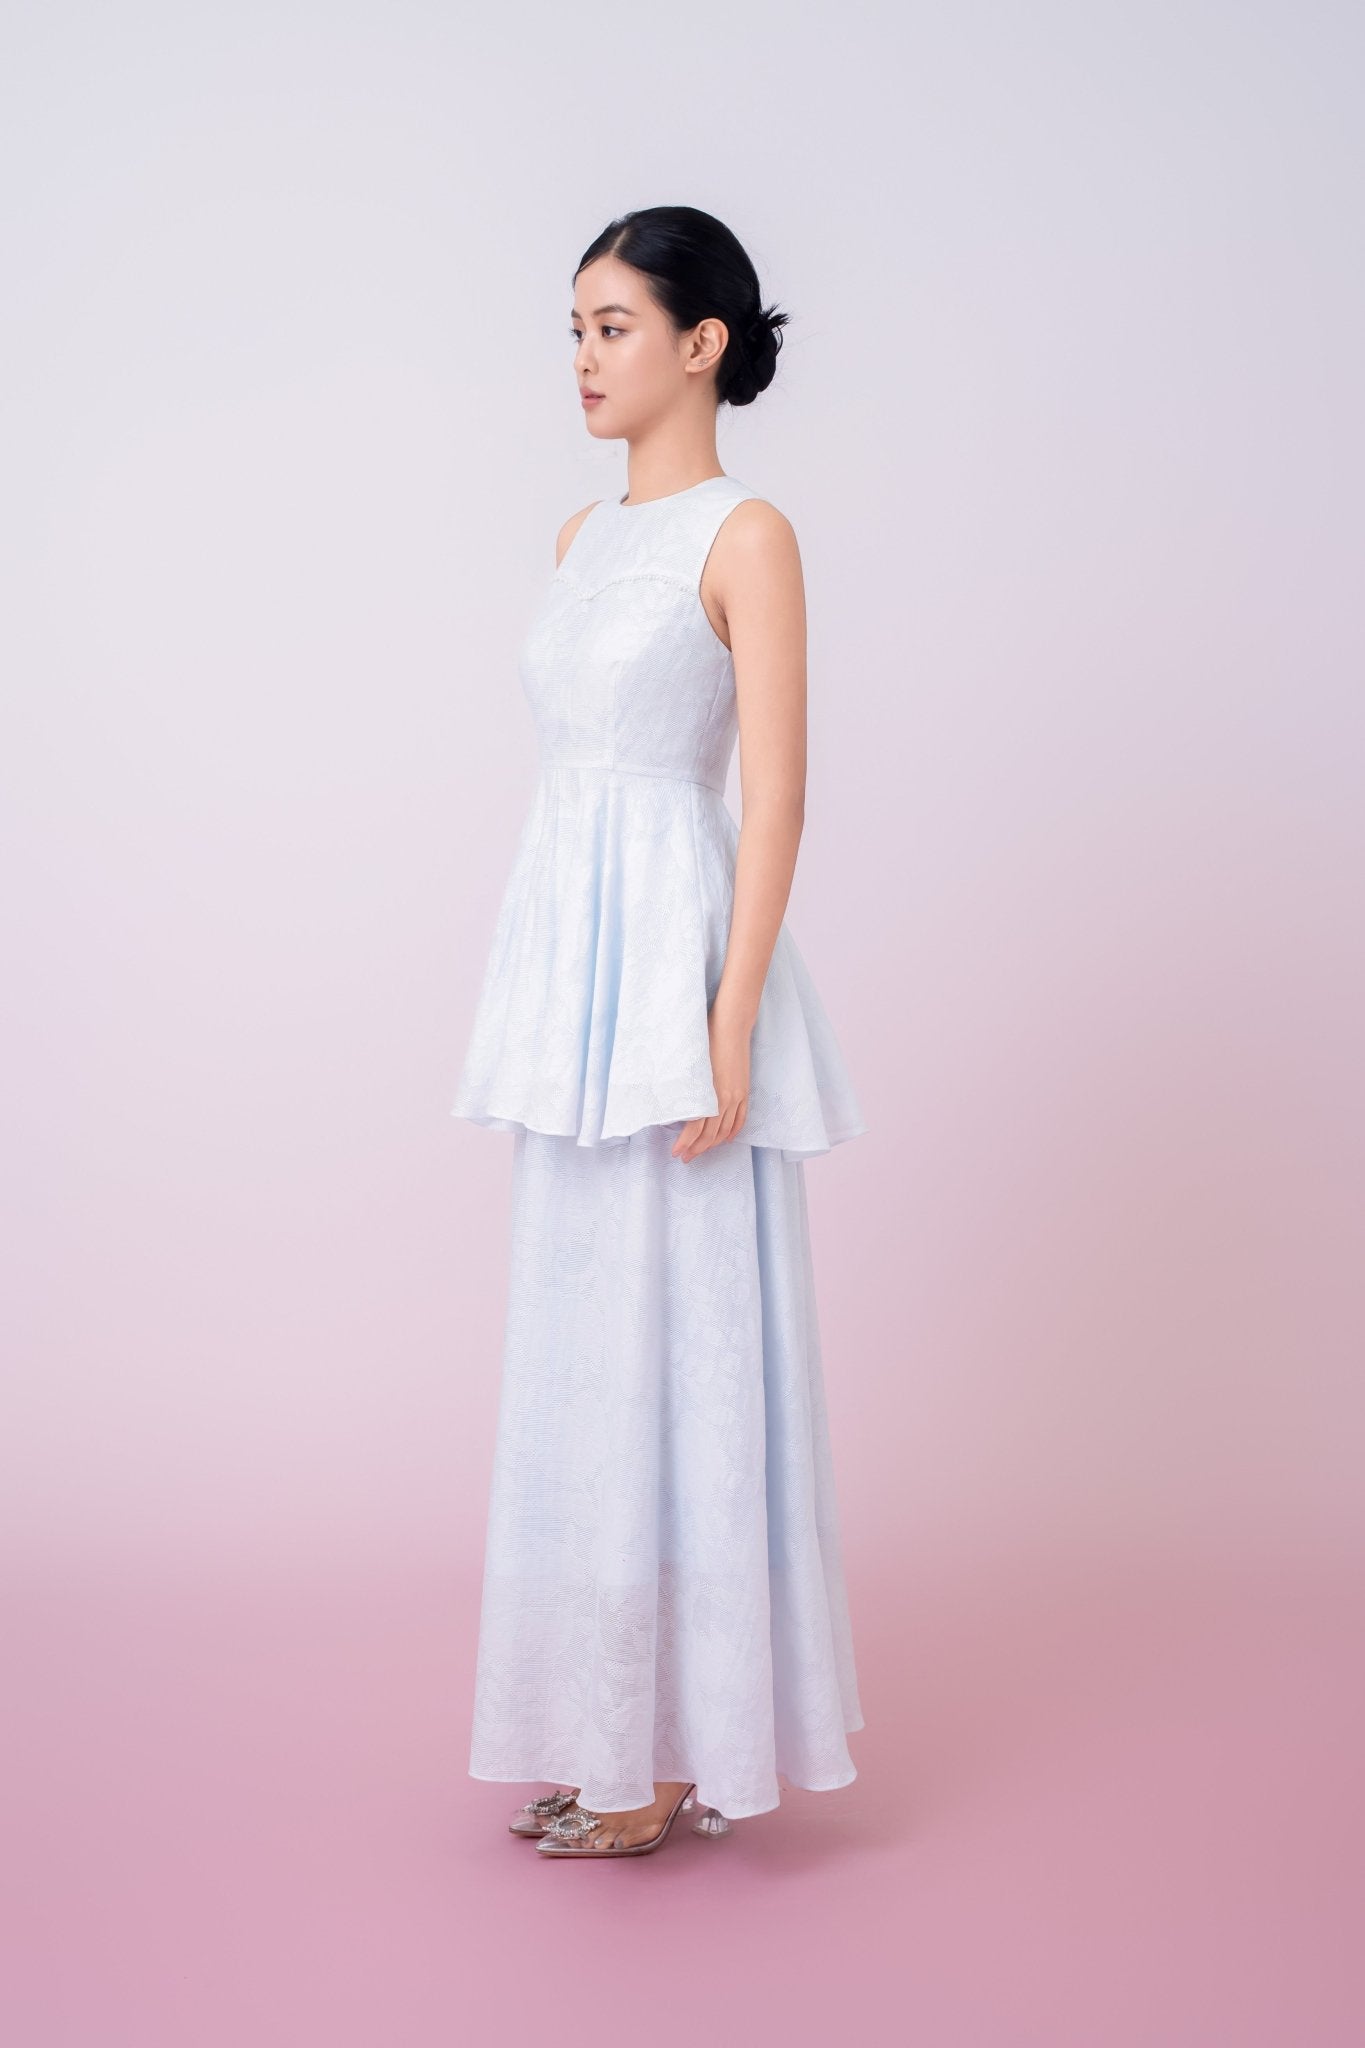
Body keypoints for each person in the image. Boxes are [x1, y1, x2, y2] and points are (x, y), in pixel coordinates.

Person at [452, 205, 867, 1860]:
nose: (582, 357)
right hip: (573, 976)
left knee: (688, 1347)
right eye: (572, 328)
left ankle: (679, 1756)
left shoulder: (746, 533)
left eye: (612, 326)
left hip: (678, 970)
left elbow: (775, 794)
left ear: (700, 345)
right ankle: (615, 1733)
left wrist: (730, 1016)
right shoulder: (577, 536)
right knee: (584, 1356)